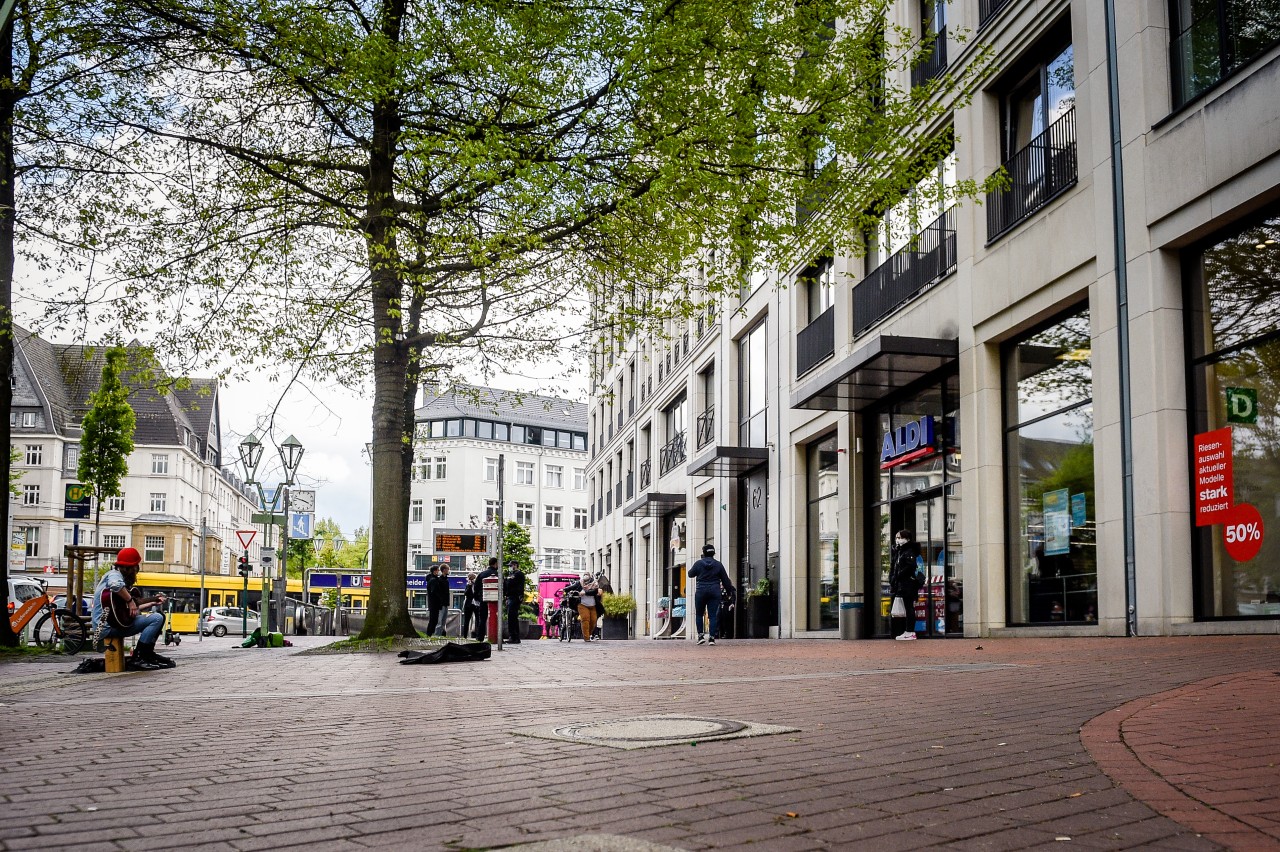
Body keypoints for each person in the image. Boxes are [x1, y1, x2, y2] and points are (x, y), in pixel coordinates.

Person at [91, 547, 175, 669]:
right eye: (136, 567)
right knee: (156, 618)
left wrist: (151, 603)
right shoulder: (114, 575)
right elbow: (116, 585)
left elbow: (125, 609)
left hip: (111, 624)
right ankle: (139, 657)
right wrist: (130, 600)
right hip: (106, 627)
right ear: (132, 567)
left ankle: (147, 654)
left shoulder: (116, 579)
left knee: (159, 616)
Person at [688, 544, 734, 646]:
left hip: (701, 591)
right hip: (714, 591)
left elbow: (690, 574)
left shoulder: (699, 563)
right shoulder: (718, 565)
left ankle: (700, 636)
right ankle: (712, 638)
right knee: (713, 615)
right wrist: (729, 592)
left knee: (699, 614)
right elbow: (725, 580)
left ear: (703, 553)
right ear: (713, 553)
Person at [889, 529, 923, 640]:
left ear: (907, 539)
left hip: (908, 584)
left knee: (909, 607)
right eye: (897, 537)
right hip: (902, 584)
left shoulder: (909, 552)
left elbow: (910, 567)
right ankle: (907, 631)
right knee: (906, 608)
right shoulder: (900, 551)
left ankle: (910, 631)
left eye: (900, 537)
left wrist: (898, 575)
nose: (898, 540)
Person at [472, 557, 499, 641]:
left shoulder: (482, 574)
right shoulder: (498, 574)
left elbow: (476, 587)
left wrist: (477, 598)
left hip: (483, 598)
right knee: (496, 618)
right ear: (495, 564)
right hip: (495, 600)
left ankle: (480, 637)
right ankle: (496, 637)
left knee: (482, 619)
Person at [572, 571, 601, 641]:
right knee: (585, 619)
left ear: (590, 576)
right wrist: (565, 589)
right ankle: (586, 637)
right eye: (585, 575)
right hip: (582, 605)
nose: (586, 576)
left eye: (587, 575)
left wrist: (585, 592)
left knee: (593, 621)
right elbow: (572, 587)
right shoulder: (580, 582)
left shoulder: (594, 583)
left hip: (593, 605)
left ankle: (589, 633)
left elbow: (594, 591)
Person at [503, 560, 526, 644]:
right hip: (510, 597)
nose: (510, 567)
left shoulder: (518, 574)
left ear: (515, 565)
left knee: (512, 617)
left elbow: (516, 586)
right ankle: (513, 636)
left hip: (515, 597)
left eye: (511, 565)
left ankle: (514, 637)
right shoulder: (510, 575)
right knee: (511, 618)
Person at [425, 565, 450, 637]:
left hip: (439, 603)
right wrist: (440, 599)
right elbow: (435, 592)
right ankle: (434, 635)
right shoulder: (435, 580)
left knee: (437, 620)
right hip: (438, 604)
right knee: (437, 620)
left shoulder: (436, 580)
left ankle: (433, 634)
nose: (438, 571)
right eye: (437, 570)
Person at [592, 572, 614, 640]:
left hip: (598, 605)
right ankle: (595, 634)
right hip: (598, 605)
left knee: (595, 619)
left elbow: (602, 597)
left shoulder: (602, 585)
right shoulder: (603, 583)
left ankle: (595, 634)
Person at [460, 571, 479, 638]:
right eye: (470, 578)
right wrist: (469, 586)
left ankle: (478, 635)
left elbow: (478, 593)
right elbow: (466, 593)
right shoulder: (468, 585)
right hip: (468, 604)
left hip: (476, 604)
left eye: (472, 578)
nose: (471, 580)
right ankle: (465, 635)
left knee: (478, 620)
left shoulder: (477, 585)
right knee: (466, 620)